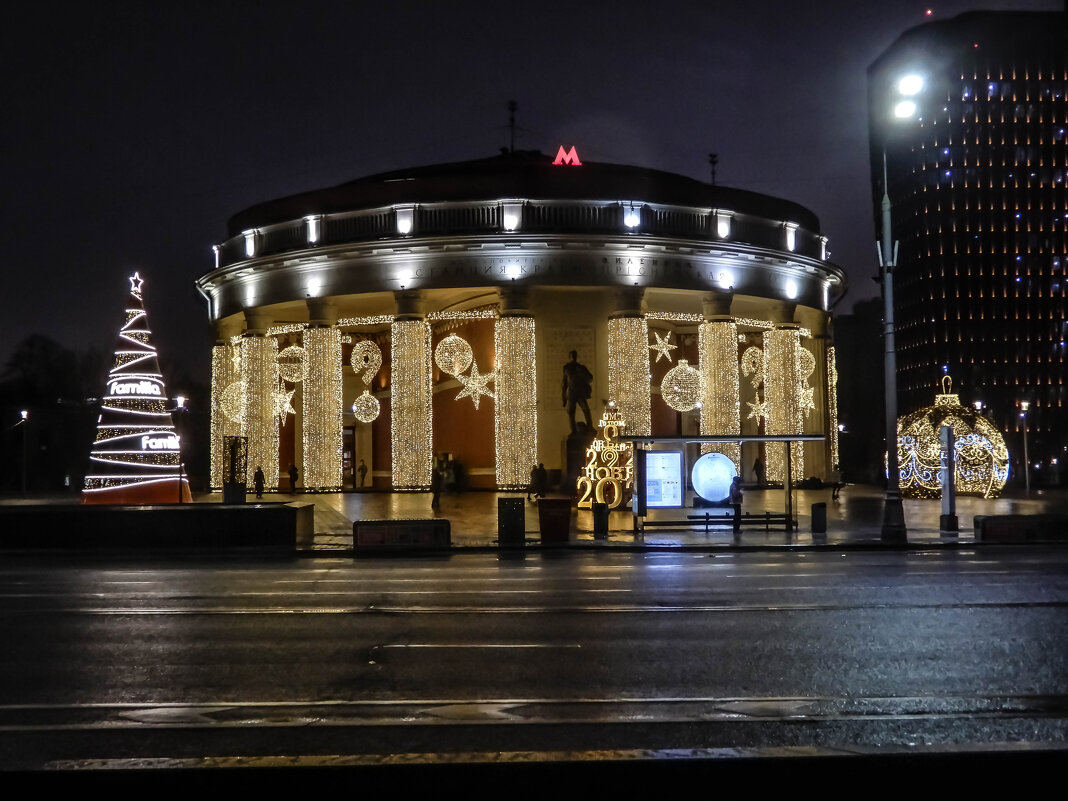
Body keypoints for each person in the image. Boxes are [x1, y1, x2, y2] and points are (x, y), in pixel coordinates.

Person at [562, 350, 594, 435]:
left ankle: (590, 427)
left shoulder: (581, 367)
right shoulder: (566, 367)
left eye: (574, 355)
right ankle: (573, 431)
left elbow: (590, 378)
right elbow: (564, 383)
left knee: (586, 410)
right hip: (571, 393)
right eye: (572, 356)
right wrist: (563, 398)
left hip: (580, 392)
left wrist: (582, 376)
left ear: (576, 357)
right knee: (571, 413)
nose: (573, 357)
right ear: (570, 357)